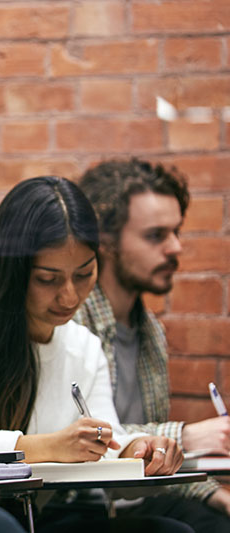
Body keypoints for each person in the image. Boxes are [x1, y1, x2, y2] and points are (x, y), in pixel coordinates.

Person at [0, 176, 190, 532]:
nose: (68, 297)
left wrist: (137, 448)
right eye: (48, 279)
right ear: (13, 273)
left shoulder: (84, 345)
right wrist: (46, 446)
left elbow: (107, 436)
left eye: (84, 274)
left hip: (50, 513)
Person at [75, 158, 230, 532]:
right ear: (107, 242)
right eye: (155, 235)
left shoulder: (152, 334)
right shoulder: (71, 324)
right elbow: (73, 437)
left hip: (146, 497)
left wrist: (217, 495)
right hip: (84, 506)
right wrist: (187, 435)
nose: (176, 247)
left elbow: (158, 466)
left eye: (176, 232)